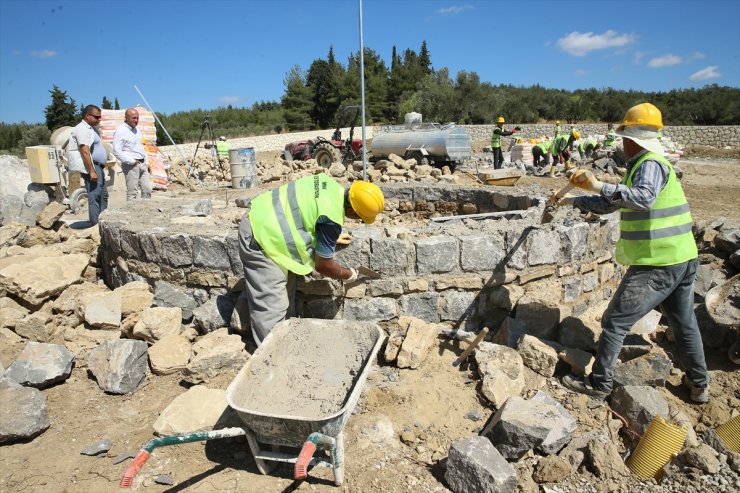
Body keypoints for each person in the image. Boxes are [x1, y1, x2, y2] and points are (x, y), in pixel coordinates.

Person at [557, 102, 709, 404]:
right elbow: (614, 203)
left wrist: (599, 184)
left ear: (632, 138)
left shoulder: (649, 164)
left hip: (659, 261)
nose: (621, 142)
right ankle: (699, 384)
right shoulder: (645, 165)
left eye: (623, 136)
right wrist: (574, 200)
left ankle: (599, 384)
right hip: (681, 257)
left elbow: (642, 199)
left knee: (615, 321)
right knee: (683, 322)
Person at [238, 173, 385, 346]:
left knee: (287, 295)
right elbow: (324, 266)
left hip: (266, 217)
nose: (357, 220)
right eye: (359, 217)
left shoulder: (327, 184)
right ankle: (271, 360)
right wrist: (348, 275)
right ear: (352, 210)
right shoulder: (330, 220)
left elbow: (306, 210)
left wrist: (325, 239)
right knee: (272, 309)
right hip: (261, 237)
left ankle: (287, 345)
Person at [67, 105, 109, 225]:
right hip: (92, 166)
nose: (99, 119)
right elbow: (84, 150)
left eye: (100, 117)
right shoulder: (82, 129)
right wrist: (91, 170)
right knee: (95, 195)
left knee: (103, 195)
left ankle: (103, 221)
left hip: (98, 166)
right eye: (96, 117)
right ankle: (95, 223)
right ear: (87, 116)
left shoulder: (92, 129)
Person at [113, 108, 151, 201]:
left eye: (137, 118)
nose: (136, 120)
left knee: (147, 189)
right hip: (131, 165)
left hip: (142, 164)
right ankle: (132, 213)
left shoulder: (136, 130)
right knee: (132, 192)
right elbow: (116, 150)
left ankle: (146, 211)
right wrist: (132, 161)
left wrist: (146, 161)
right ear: (126, 118)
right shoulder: (121, 131)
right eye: (133, 118)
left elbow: (140, 147)